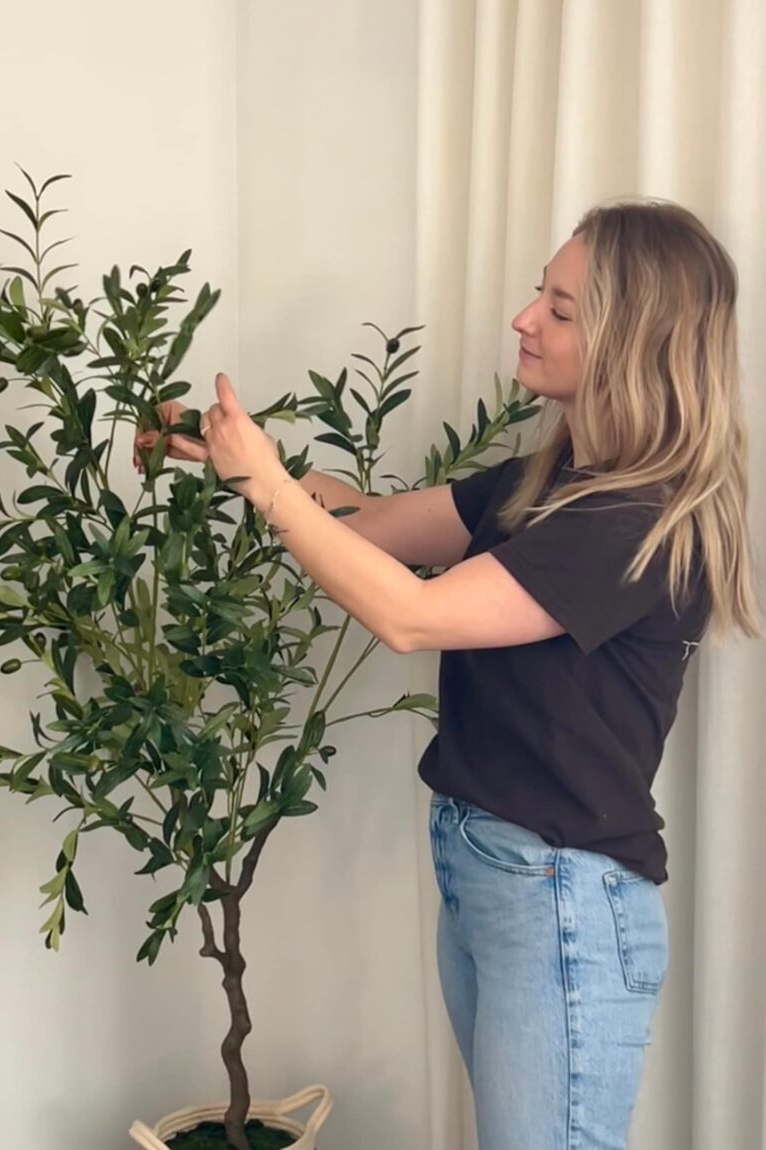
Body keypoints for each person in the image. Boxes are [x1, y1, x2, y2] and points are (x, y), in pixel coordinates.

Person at [132, 199, 761, 1150]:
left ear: (631, 342)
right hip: (495, 872)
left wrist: (264, 482)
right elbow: (369, 526)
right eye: (539, 295)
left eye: (560, 309)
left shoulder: (632, 522)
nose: (523, 319)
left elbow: (410, 615)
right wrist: (235, 458)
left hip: (561, 892)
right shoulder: (545, 486)